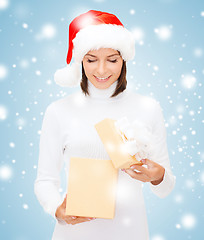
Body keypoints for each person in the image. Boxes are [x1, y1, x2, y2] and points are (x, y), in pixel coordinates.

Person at [34, 10, 176, 240]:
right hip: (74, 234)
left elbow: (164, 189)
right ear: (80, 60)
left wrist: (158, 176)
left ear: (124, 59)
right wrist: (56, 209)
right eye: (91, 60)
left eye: (112, 60)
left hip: (131, 232)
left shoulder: (147, 108)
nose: (101, 70)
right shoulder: (58, 111)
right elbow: (45, 180)